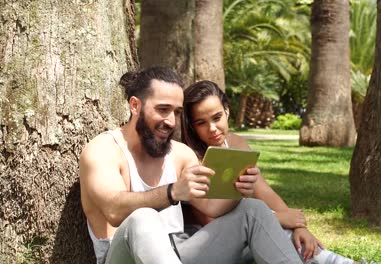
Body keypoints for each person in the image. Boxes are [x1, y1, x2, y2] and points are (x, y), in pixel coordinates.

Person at [79, 66, 304, 264]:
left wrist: (238, 188)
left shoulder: (180, 153)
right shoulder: (103, 149)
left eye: (176, 112)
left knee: (252, 210)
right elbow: (114, 210)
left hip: (179, 252)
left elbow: (212, 207)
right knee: (143, 217)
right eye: (162, 109)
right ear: (135, 105)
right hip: (124, 256)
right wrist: (173, 191)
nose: (170, 121)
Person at [181, 80, 369, 264]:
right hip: (213, 244)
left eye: (216, 117)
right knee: (274, 229)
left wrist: (298, 226)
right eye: (201, 123)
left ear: (227, 111)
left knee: (291, 236)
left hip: (249, 230)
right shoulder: (190, 157)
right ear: (192, 126)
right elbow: (209, 220)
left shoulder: (236, 144)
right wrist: (278, 218)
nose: (212, 128)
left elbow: (263, 190)